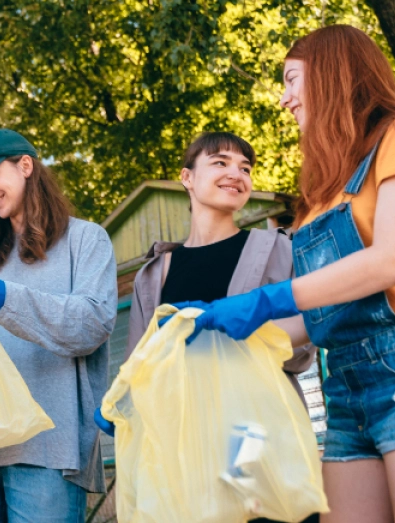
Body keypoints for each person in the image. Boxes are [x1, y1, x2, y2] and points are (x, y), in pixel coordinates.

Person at [185, 25, 395, 523]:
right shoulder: (322, 194)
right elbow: (319, 316)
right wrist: (204, 339)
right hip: (345, 382)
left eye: (293, 80)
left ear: (333, 74)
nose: (284, 98)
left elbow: (391, 260)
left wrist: (264, 301)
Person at [96, 131, 318, 523]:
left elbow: (306, 337)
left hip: (254, 432)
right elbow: (143, 362)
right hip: (184, 441)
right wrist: (123, 404)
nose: (237, 173)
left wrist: (238, 329)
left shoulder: (276, 249)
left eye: (245, 167)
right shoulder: (155, 272)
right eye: (220, 162)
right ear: (187, 178)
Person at [0, 129, 118, 523]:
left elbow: (93, 323)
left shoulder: (86, 241)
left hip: (49, 448)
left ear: (25, 166)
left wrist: (9, 301)